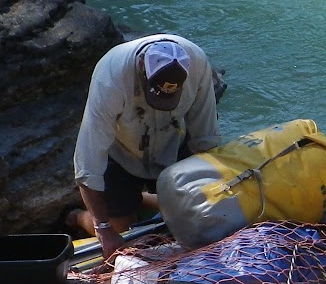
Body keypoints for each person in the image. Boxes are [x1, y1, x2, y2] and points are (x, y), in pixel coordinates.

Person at [72, 33, 221, 258]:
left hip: (172, 142)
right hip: (122, 150)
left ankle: (142, 199)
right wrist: (103, 228)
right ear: (142, 66)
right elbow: (88, 161)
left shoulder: (197, 63)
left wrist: (213, 196)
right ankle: (74, 216)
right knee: (121, 230)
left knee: (194, 219)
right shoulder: (110, 79)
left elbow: (206, 139)